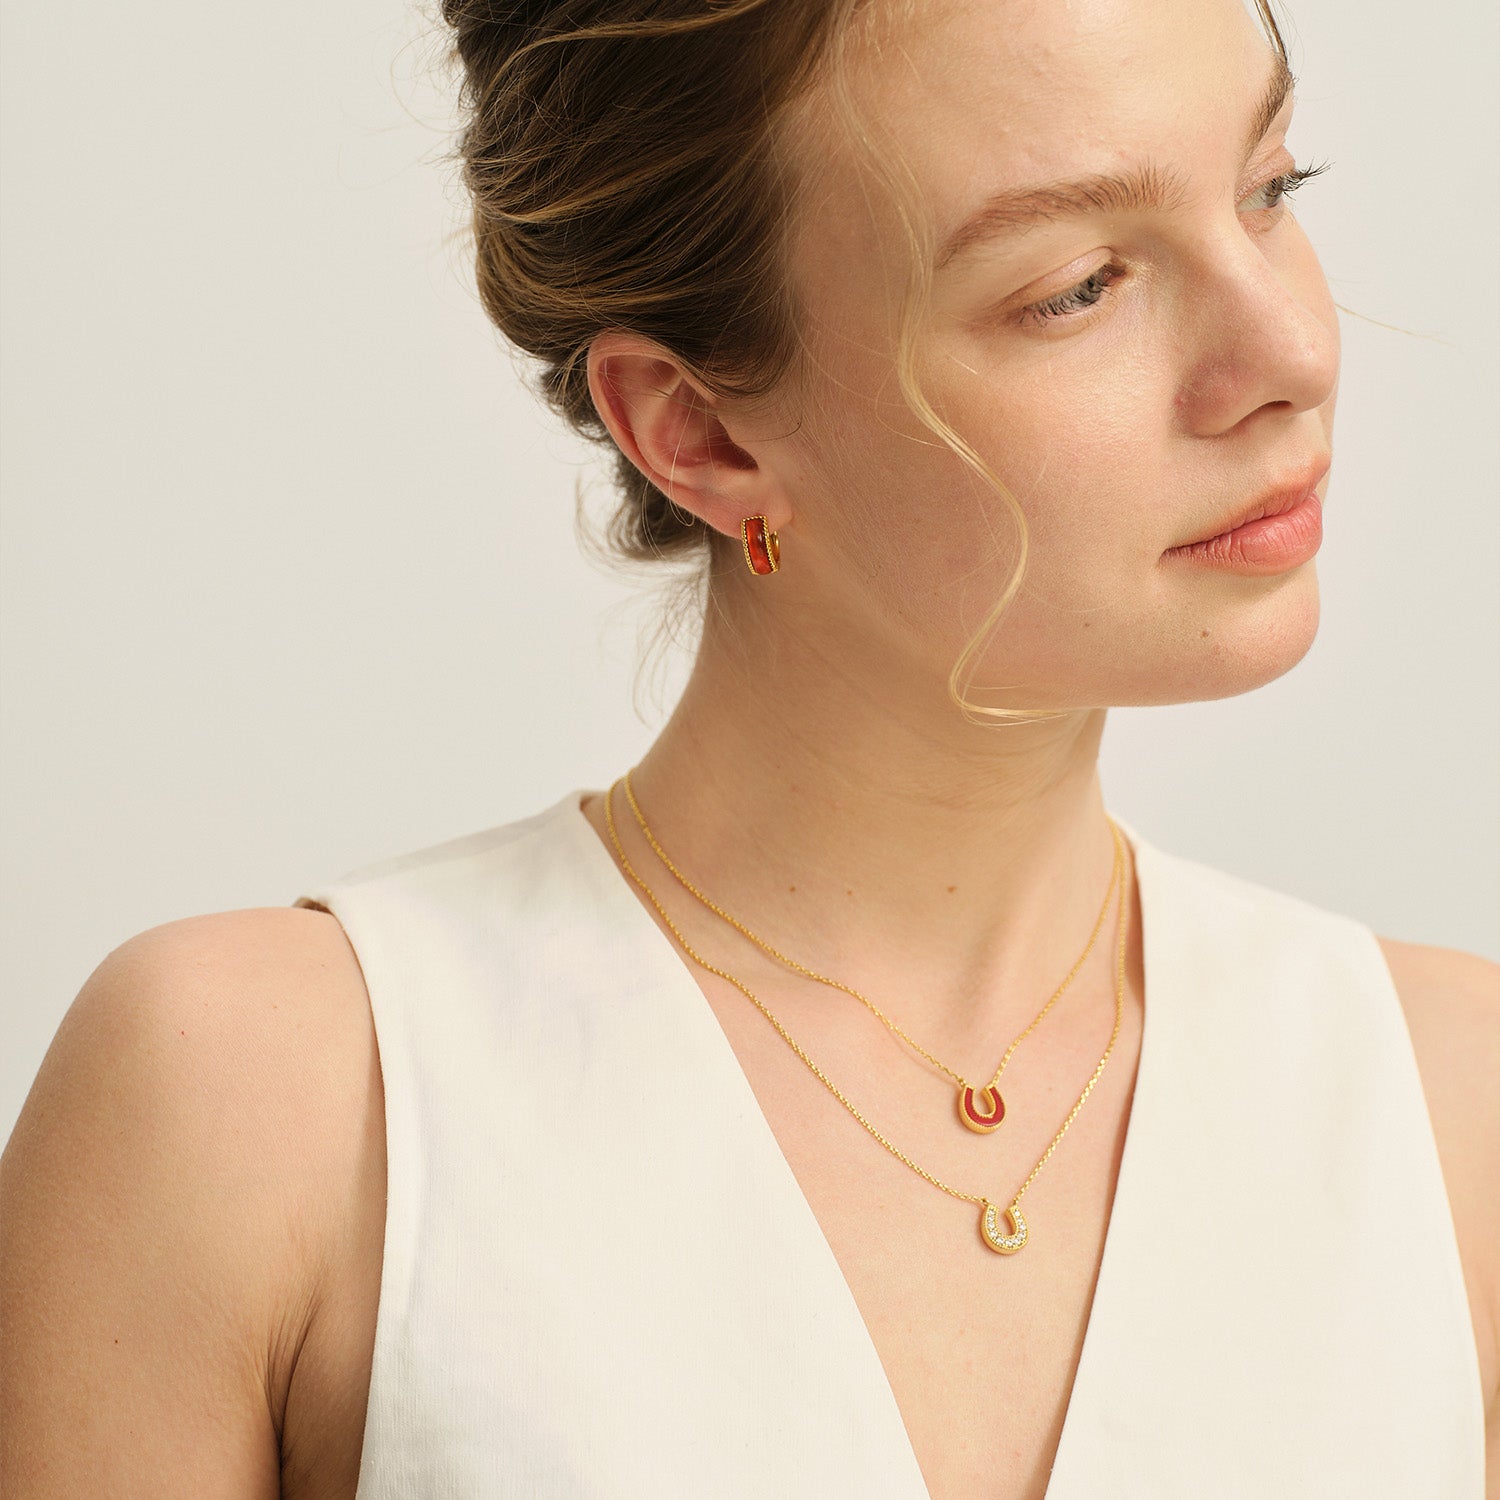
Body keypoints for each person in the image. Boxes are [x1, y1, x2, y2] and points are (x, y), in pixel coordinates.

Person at [2, 0, 1496, 1494]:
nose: (1294, 349)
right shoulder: (271, 1113)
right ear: (700, 432)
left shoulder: (1458, 1118)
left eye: (1271, 187)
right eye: (1078, 287)